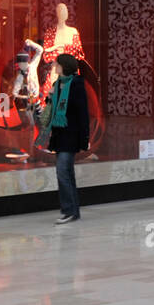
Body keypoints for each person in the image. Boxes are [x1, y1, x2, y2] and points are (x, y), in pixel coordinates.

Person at [47, 53, 89, 225]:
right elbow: (52, 109)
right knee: (67, 173)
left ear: (64, 66)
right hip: (59, 135)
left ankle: (68, 210)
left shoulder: (77, 84)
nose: (55, 67)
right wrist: (49, 97)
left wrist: (84, 138)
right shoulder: (57, 85)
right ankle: (73, 211)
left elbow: (82, 113)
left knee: (62, 171)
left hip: (71, 135)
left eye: (57, 64)